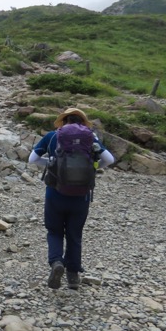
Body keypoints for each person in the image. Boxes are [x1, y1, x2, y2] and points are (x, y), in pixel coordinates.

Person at [28, 107, 115, 290]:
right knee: (75, 234)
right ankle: (73, 276)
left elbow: (32, 159)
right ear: (82, 122)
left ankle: (56, 262)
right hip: (81, 196)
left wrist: (50, 163)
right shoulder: (91, 137)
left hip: (55, 193)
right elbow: (110, 159)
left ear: (64, 121)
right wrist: (94, 167)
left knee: (54, 231)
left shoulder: (53, 136)